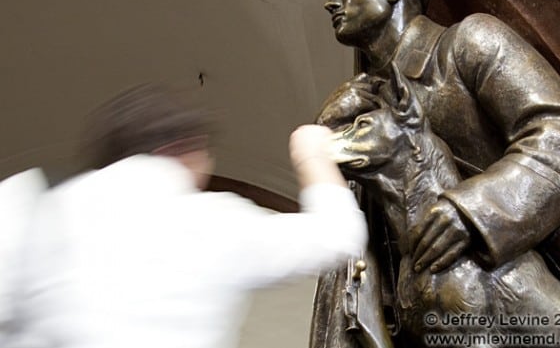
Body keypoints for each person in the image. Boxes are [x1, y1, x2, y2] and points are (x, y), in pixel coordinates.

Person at [312, 0, 560, 345]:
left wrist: (472, 211)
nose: (332, 1)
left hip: (538, 285)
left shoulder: (469, 42)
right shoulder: (362, 102)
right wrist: (326, 124)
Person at [2, 84, 368, 348]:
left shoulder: (27, 202)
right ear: (183, 152)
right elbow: (337, 236)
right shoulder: (209, 221)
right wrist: (310, 153)